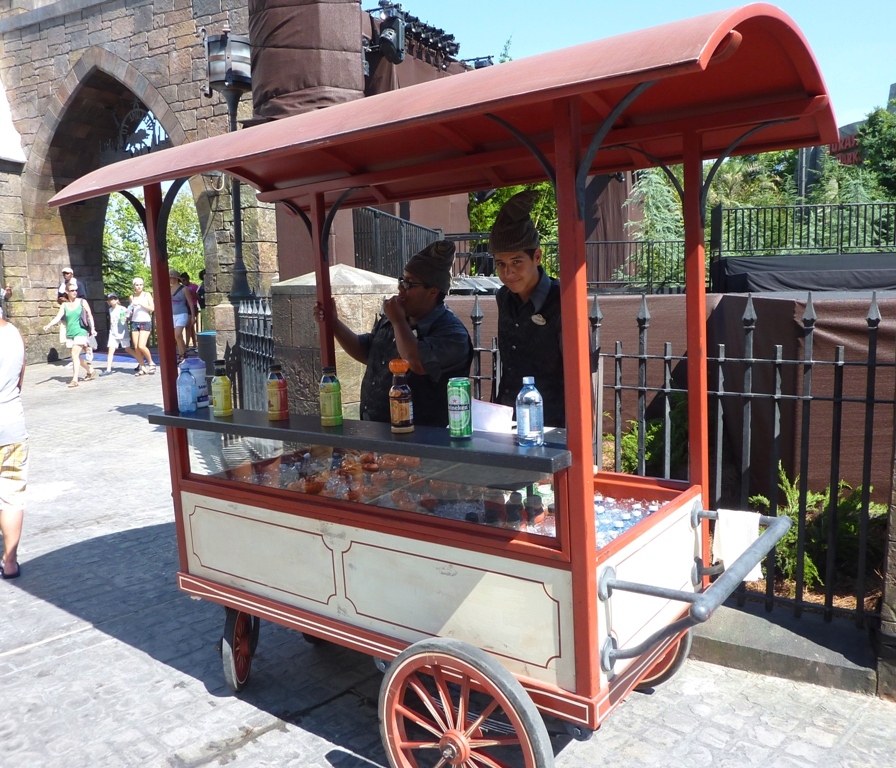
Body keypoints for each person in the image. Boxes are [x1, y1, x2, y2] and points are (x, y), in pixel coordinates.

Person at [314, 240, 473, 427]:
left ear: (433, 291)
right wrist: (334, 324)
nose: (400, 288)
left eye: (409, 284)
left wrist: (398, 321)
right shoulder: (396, 319)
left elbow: (416, 362)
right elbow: (368, 352)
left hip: (420, 437)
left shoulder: (451, 332)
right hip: (376, 429)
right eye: (401, 280)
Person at [490, 190, 565, 427]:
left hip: (551, 426)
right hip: (505, 421)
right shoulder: (503, 297)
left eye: (516, 261)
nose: (508, 272)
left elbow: (582, 374)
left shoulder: (562, 300)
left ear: (537, 257)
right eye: (500, 264)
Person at [0, 315, 26, 579]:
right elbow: (20, 381)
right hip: (12, 424)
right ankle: (9, 562)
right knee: (11, 495)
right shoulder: (16, 334)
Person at [42, 281, 98, 387]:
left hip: (81, 331)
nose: (74, 292)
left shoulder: (82, 302)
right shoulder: (64, 305)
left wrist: (93, 328)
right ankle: (90, 370)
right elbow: (58, 317)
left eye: (76, 290)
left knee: (74, 355)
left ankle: (75, 380)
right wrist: (49, 325)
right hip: (70, 333)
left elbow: (90, 316)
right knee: (74, 356)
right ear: (67, 292)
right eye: (72, 290)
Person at [101, 293, 137, 375]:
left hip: (122, 332)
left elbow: (127, 316)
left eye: (114, 299)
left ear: (117, 300)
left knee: (127, 349)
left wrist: (126, 316)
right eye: (111, 299)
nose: (113, 300)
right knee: (111, 349)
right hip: (113, 332)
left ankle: (141, 361)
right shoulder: (110, 310)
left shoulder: (122, 308)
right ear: (108, 302)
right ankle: (108, 369)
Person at [128, 276, 155, 375]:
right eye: (137, 285)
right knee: (136, 347)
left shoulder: (147, 295)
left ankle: (151, 363)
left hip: (145, 321)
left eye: (140, 285)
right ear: (134, 286)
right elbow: (131, 310)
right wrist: (127, 313)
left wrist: (141, 304)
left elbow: (152, 308)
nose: (139, 286)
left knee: (141, 345)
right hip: (135, 321)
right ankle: (142, 366)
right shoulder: (131, 297)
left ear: (143, 285)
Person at [169, 269, 197, 363]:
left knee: (177, 333)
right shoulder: (169, 289)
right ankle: (182, 353)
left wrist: (193, 317)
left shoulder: (184, 289)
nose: (170, 280)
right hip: (173, 314)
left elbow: (190, 303)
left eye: (172, 278)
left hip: (182, 313)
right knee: (177, 336)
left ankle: (182, 354)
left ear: (176, 278)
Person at [180, 271, 200, 347]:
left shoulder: (194, 286)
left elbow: (199, 297)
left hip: (193, 306)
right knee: (190, 327)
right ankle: (194, 344)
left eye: (184, 280)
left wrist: (193, 294)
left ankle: (187, 345)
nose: (183, 282)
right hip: (185, 307)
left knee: (188, 326)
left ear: (188, 279)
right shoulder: (181, 288)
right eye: (181, 281)